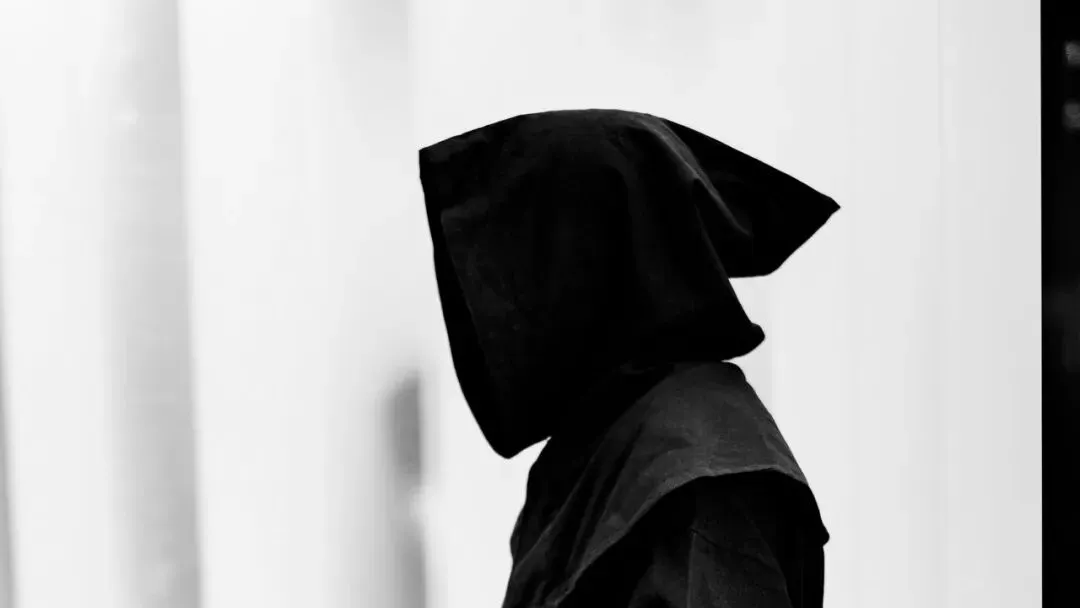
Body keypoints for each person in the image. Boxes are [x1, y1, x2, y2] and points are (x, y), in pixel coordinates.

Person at [417, 109, 839, 608]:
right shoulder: (610, 449)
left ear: (599, 258)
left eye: (519, 262)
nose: (493, 305)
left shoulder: (700, 466)